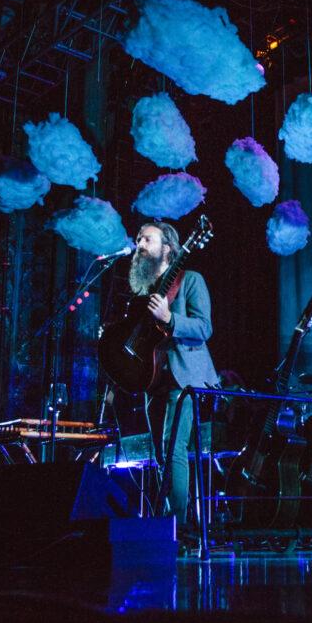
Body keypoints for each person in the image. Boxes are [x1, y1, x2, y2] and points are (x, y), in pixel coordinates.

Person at [118, 220, 219, 525]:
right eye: (138, 239)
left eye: (147, 239)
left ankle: (177, 527)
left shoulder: (190, 281)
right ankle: (167, 522)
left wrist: (170, 318)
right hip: (153, 379)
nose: (139, 244)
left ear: (167, 249)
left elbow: (204, 328)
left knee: (173, 449)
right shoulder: (145, 292)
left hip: (184, 376)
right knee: (161, 454)